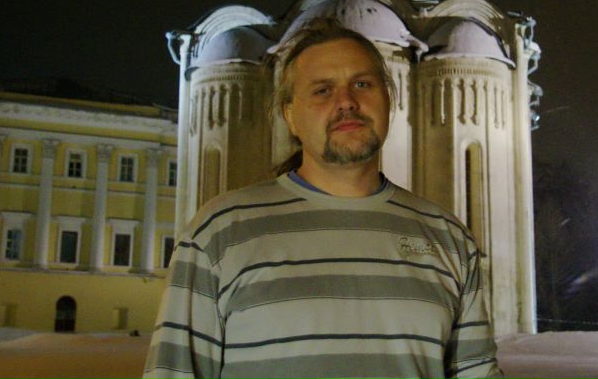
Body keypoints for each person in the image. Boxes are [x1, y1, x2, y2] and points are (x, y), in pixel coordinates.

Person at [143, 19, 500, 379]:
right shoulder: (220, 234)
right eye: (322, 90)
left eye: (362, 84)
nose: (346, 102)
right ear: (290, 116)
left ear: (389, 99)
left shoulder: (447, 240)